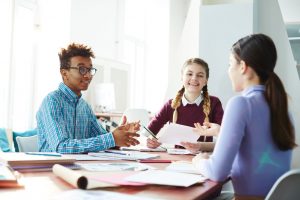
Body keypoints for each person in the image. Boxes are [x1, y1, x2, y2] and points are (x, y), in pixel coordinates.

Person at [192, 34, 297, 199]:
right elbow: (257, 143)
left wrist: (199, 160)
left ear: (243, 67)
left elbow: (217, 172)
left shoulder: (241, 104)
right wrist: (221, 132)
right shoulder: (283, 108)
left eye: (230, 64)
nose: (228, 70)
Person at [36, 43, 140, 153]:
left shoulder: (85, 106)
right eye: (81, 69)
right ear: (64, 73)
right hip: (53, 168)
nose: (88, 75)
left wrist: (120, 135)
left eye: (89, 69)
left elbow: (103, 140)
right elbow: (61, 147)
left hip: (80, 167)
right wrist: (112, 139)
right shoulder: (52, 101)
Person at [147, 58, 224, 152]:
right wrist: (151, 141)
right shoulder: (171, 105)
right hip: (176, 160)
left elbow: (224, 141)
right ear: (182, 77)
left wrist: (200, 146)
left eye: (200, 75)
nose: (194, 78)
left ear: (206, 80)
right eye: (189, 74)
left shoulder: (214, 103)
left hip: (202, 159)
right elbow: (149, 133)